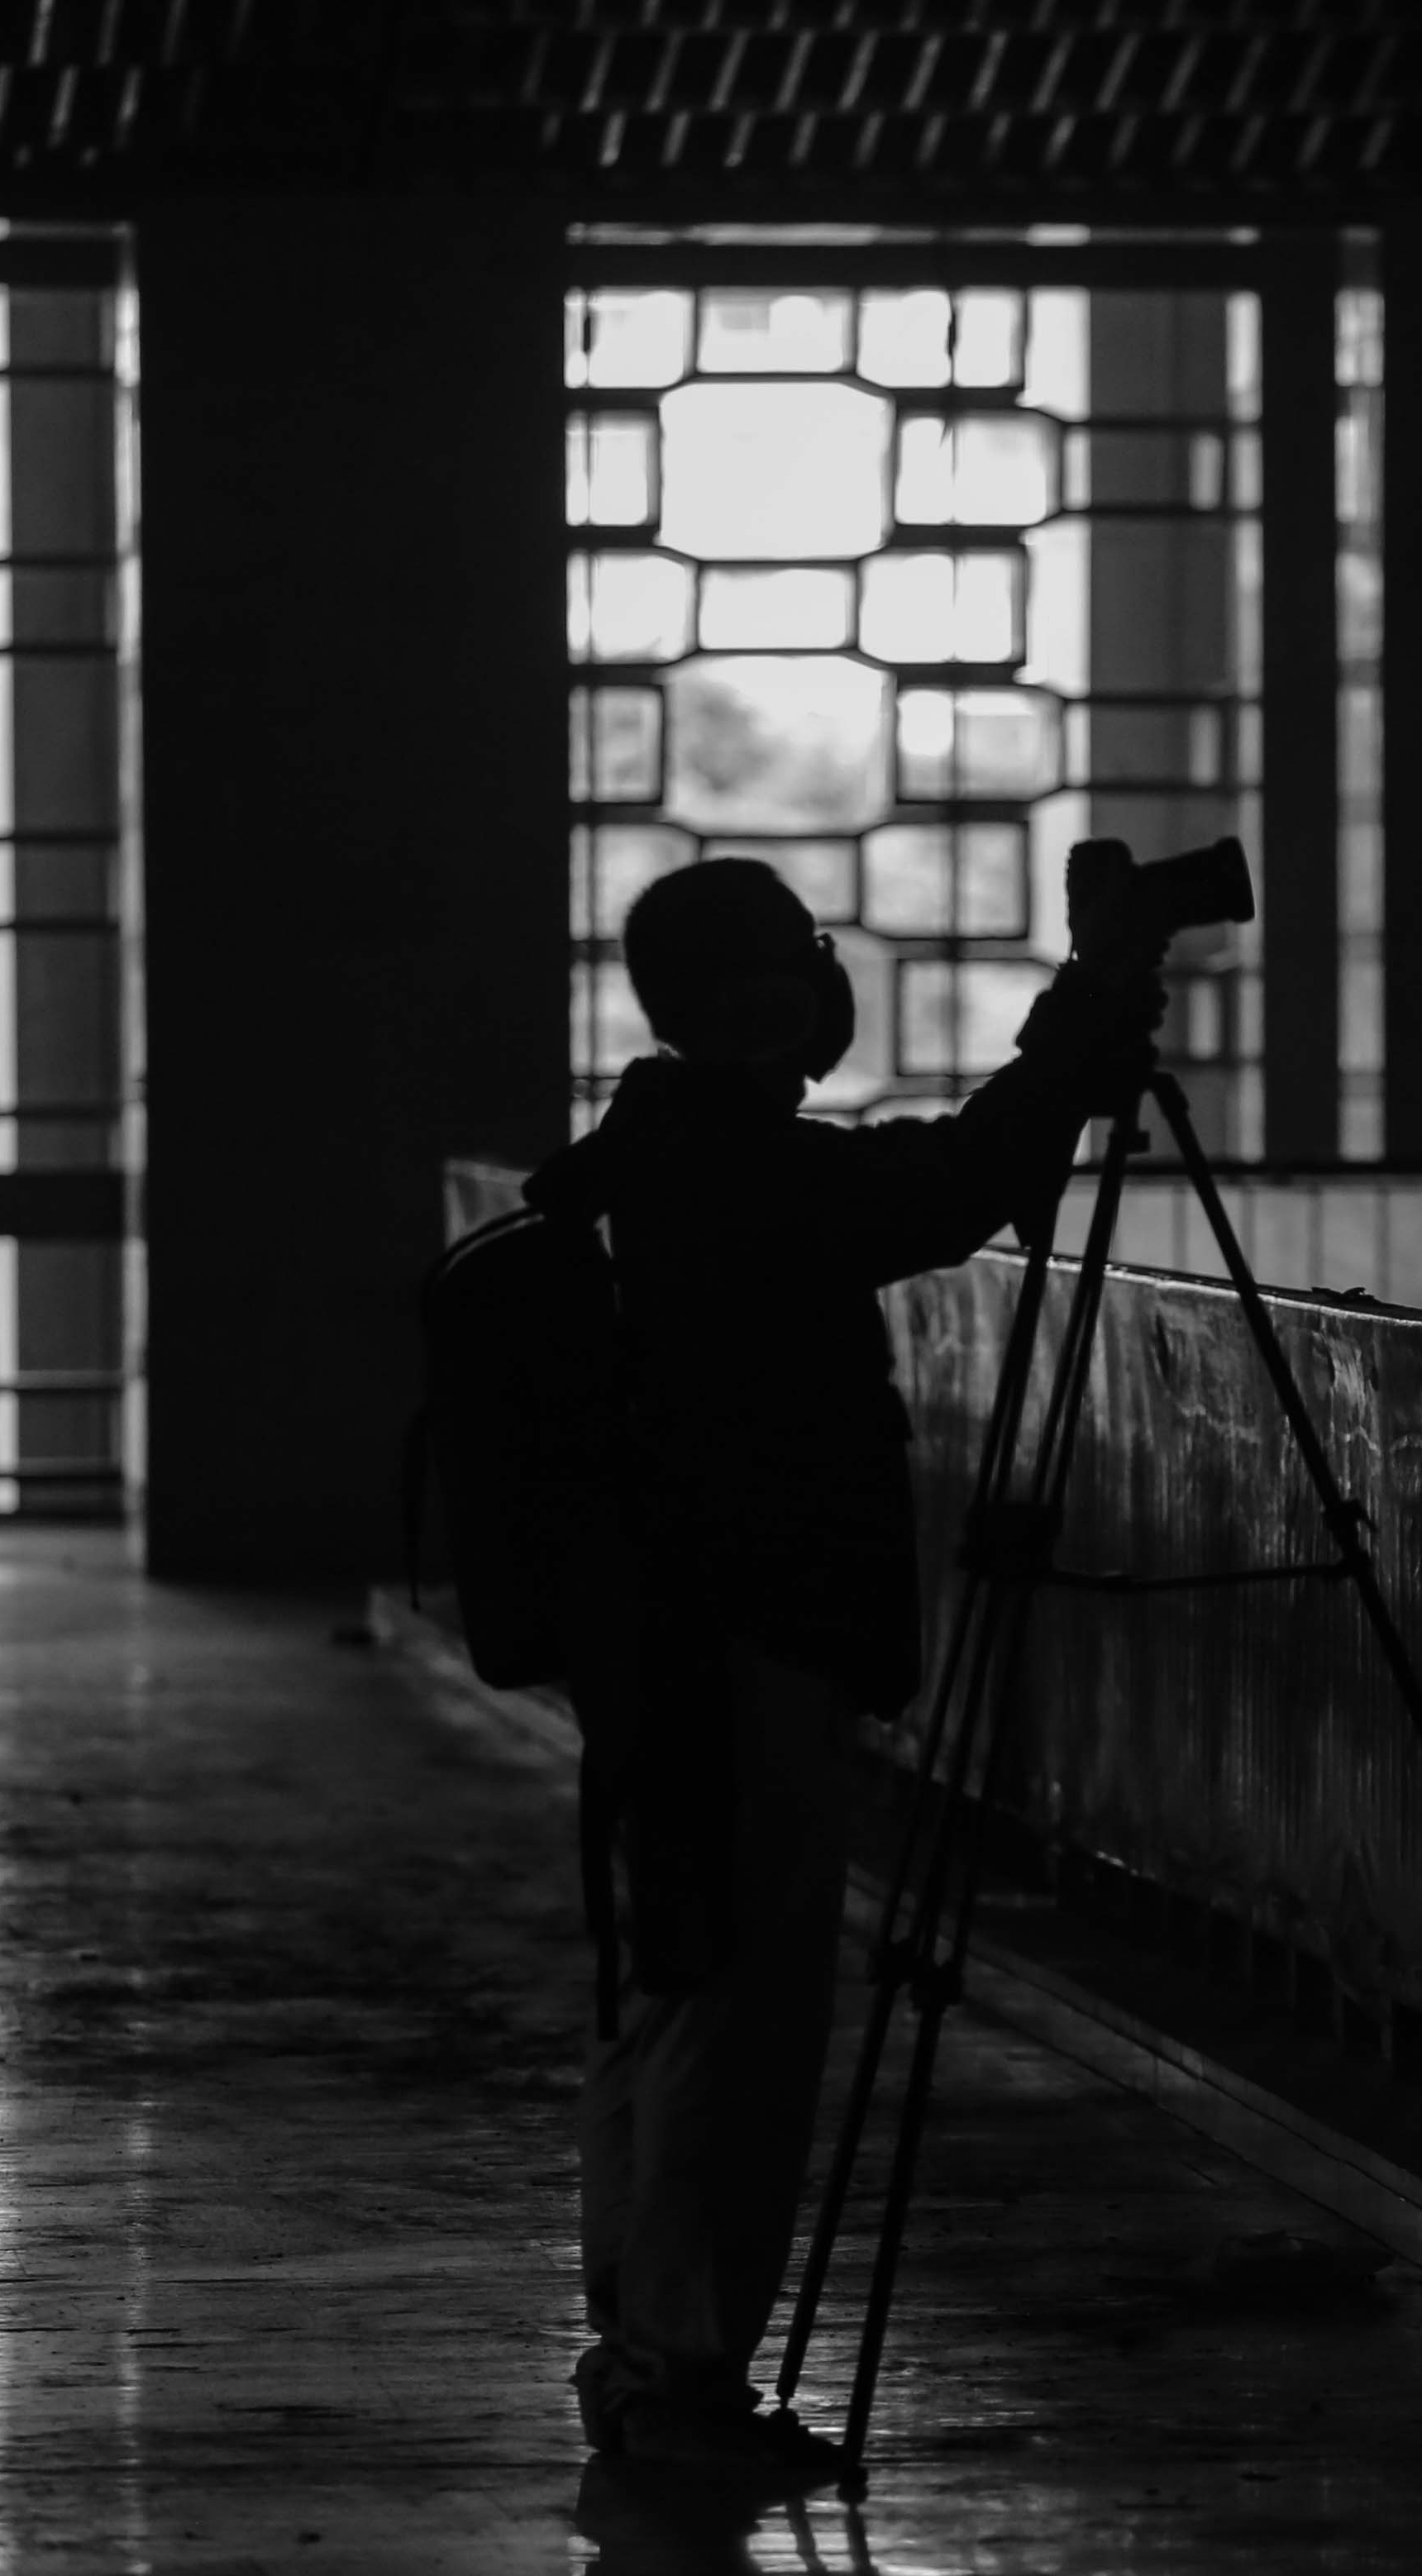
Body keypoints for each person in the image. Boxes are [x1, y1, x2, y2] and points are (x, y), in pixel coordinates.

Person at [525, 845, 1168, 2480]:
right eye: (795, 963)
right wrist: (1083, 1024)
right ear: (767, 996)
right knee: (733, 2017)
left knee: (675, 1998)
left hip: (676, 1648)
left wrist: (1062, 1044)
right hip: (740, 1649)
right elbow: (937, 1191)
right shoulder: (717, 1170)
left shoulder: (665, 1152)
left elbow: (919, 1179)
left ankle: (653, 2360)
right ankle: (680, 2384)